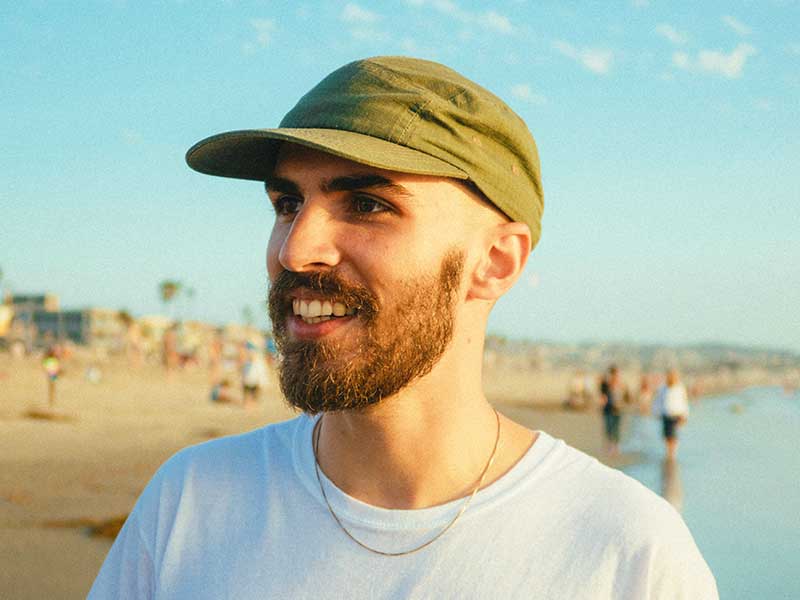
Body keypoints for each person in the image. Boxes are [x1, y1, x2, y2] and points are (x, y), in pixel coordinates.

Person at [89, 56, 716, 598]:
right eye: (288, 204)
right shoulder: (190, 502)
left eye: (367, 204)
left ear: (495, 262)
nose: (295, 250)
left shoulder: (626, 552)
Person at [652, 368, 690, 461]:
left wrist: (685, 415)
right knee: (666, 435)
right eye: (670, 376)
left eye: (673, 376)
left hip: (676, 415)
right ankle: (668, 451)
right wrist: (656, 412)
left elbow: (684, 402)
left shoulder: (680, 388)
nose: (671, 378)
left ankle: (672, 453)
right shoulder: (662, 388)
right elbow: (658, 401)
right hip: (665, 414)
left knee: (674, 435)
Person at [599, 364, 624, 456]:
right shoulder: (605, 384)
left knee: (615, 429)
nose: (615, 376)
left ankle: (615, 448)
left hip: (617, 409)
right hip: (608, 409)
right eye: (614, 373)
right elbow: (603, 397)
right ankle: (610, 447)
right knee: (609, 428)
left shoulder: (620, 384)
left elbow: (624, 397)